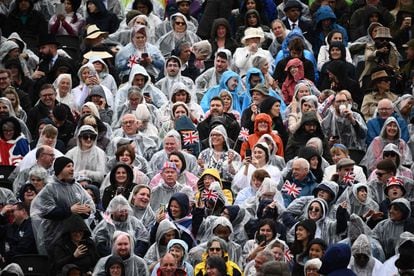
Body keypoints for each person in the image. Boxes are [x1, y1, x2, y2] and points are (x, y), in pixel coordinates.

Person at [30, 156, 95, 254]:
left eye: (73, 166)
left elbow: (88, 204)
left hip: (75, 236)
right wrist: (70, 210)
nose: (72, 169)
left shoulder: (77, 186)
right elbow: (46, 212)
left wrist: (86, 210)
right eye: (68, 166)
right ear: (60, 169)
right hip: (55, 237)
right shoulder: (50, 188)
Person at [321, 91, 367, 163]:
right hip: (335, 151)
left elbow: (363, 134)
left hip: (355, 151)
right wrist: (329, 142)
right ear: (334, 104)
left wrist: (352, 120)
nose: (341, 104)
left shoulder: (356, 115)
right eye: (338, 101)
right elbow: (323, 137)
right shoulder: (328, 118)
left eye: (343, 101)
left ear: (347, 102)